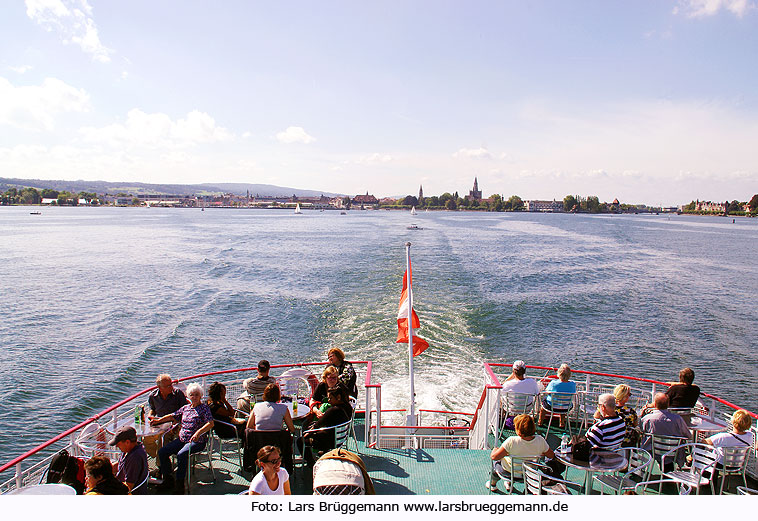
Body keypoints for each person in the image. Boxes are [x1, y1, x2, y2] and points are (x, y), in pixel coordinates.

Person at [150, 382, 214, 494]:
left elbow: (210, 423)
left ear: (200, 396)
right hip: (182, 439)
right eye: (192, 395)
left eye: (196, 394)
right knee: (162, 452)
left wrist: (198, 432)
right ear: (188, 396)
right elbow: (172, 415)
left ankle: (180, 485)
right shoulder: (185, 408)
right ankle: (168, 479)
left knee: (181, 454)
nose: (194, 397)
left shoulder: (204, 408)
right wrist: (158, 420)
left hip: (197, 440)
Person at [489, 414, 554, 492]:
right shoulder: (540, 440)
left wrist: (495, 449)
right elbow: (551, 455)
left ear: (519, 431)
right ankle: (509, 483)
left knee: (496, 462)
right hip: (529, 474)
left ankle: (492, 485)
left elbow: (494, 457)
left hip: (509, 472)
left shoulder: (512, 441)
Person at [301, 386, 352, 465]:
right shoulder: (348, 407)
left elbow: (317, 425)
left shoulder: (333, 410)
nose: (329, 401)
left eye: (330, 398)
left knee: (300, 441)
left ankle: (311, 464)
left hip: (329, 441)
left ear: (338, 397)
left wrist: (305, 435)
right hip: (340, 438)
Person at [640, 393, 691, 468]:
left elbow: (641, 431)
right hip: (673, 452)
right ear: (668, 404)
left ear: (655, 404)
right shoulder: (677, 419)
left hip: (653, 451)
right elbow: (688, 435)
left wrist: (642, 415)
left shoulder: (648, 419)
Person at [144, 373, 187, 458]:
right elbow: (152, 409)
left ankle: (161, 467)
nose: (171, 387)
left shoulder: (178, 394)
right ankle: (160, 458)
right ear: (160, 388)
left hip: (175, 425)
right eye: (167, 386)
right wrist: (150, 416)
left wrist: (177, 422)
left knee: (162, 438)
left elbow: (186, 411)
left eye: (171, 384)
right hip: (159, 424)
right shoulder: (153, 396)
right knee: (146, 440)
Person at [109, 426, 148, 494]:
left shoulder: (135, 457)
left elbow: (128, 486)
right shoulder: (128, 450)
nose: (117, 446)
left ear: (127, 442)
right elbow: (120, 464)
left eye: (118, 443)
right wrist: (104, 470)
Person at [538, 363, 576, 428]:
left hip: (552, 406)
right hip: (566, 407)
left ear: (559, 373)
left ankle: (540, 422)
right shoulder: (573, 384)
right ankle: (562, 423)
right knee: (563, 403)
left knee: (543, 406)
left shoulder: (553, 383)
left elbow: (547, 391)